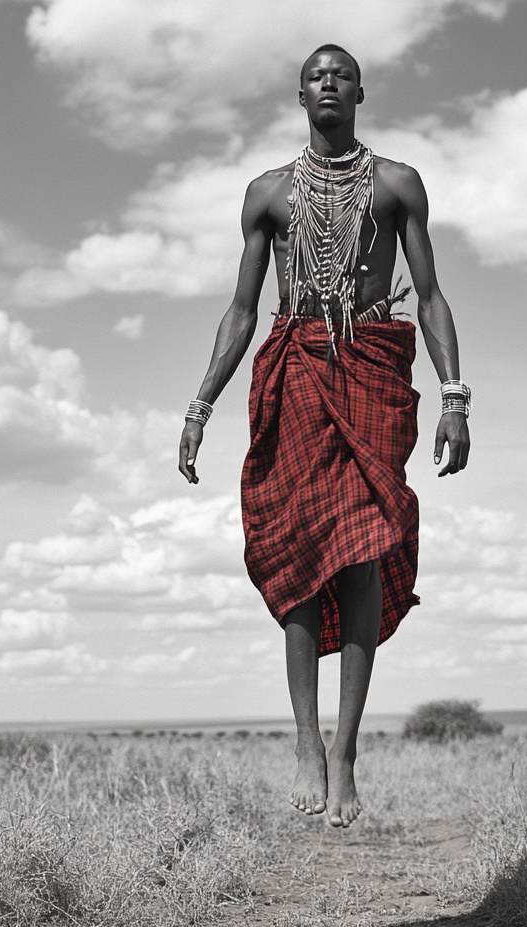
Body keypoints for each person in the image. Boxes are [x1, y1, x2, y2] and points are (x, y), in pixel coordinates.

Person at [178, 44, 470, 828]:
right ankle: (306, 742)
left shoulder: (399, 183)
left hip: (371, 369)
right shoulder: (268, 195)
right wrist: (200, 406)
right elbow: (242, 310)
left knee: (368, 547)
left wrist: (454, 396)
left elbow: (432, 295)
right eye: (316, 75)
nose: (329, 83)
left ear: (361, 91)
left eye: (341, 74)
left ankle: (345, 751)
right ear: (300, 94)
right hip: (296, 371)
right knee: (303, 557)